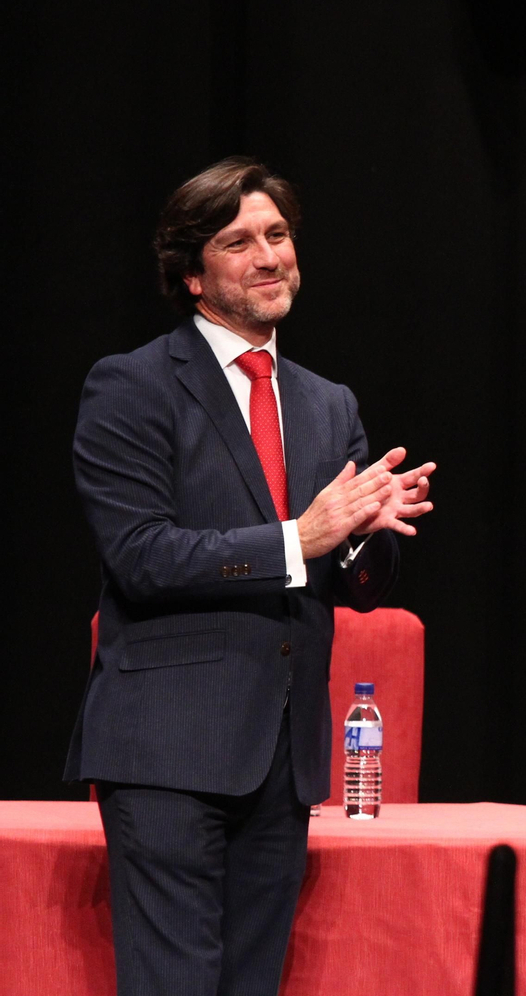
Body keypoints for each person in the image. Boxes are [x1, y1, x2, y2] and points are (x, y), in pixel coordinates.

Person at [65, 157, 436, 996]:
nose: (270, 255)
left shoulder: (326, 402)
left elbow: (360, 583)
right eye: (239, 242)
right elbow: (142, 555)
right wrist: (301, 536)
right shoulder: (131, 386)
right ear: (192, 275)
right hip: (167, 747)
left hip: (283, 753)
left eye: (278, 235)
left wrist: (366, 536)